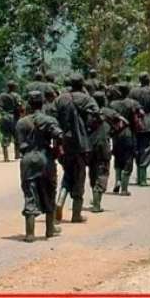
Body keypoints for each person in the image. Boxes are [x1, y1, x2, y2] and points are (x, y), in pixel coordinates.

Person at [15, 91, 64, 242]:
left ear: (29, 103)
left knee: (30, 193)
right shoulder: (49, 120)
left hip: (28, 159)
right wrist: (57, 149)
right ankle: (49, 229)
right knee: (49, 191)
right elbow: (59, 136)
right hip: (45, 158)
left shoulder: (21, 123)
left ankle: (30, 234)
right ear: (42, 103)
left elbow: (18, 144)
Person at [53, 74, 100, 223]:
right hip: (81, 144)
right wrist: (88, 128)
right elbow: (96, 116)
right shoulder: (87, 99)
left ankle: (60, 200)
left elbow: (52, 116)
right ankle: (76, 214)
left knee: (68, 173)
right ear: (82, 84)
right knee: (79, 177)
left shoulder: (60, 98)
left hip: (64, 143)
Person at [0, 81, 23, 162]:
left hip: (4, 117)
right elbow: (19, 106)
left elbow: (0, 107)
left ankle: (6, 157)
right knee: (17, 136)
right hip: (14, 117)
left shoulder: (2, 95)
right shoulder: (16, 96)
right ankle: (17, 155)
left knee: (5, 135)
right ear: (14, 87)